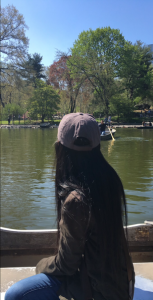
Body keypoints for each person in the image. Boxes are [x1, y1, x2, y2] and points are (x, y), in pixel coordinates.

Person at [5, 113, 135, 300]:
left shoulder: (76, 200)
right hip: (120, 284)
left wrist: (40, 266)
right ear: (97, 147)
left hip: (96, 291)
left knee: (16, 294)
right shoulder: (111, 181)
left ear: (59, 148)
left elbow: (66, 265)